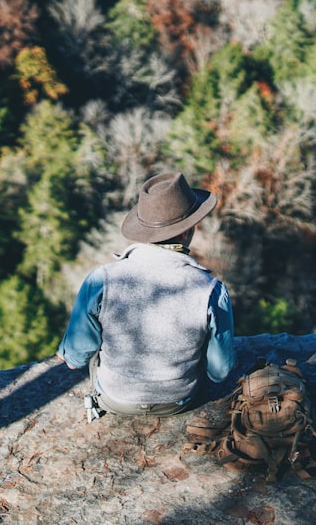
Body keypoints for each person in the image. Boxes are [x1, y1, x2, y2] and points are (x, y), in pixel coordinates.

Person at [56, 172, 236, 418]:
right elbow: (220, 371)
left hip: (115, 398)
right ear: (185, 233)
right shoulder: (211, 289)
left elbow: (76, 356)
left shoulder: (101, 279)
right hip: (179, 400)